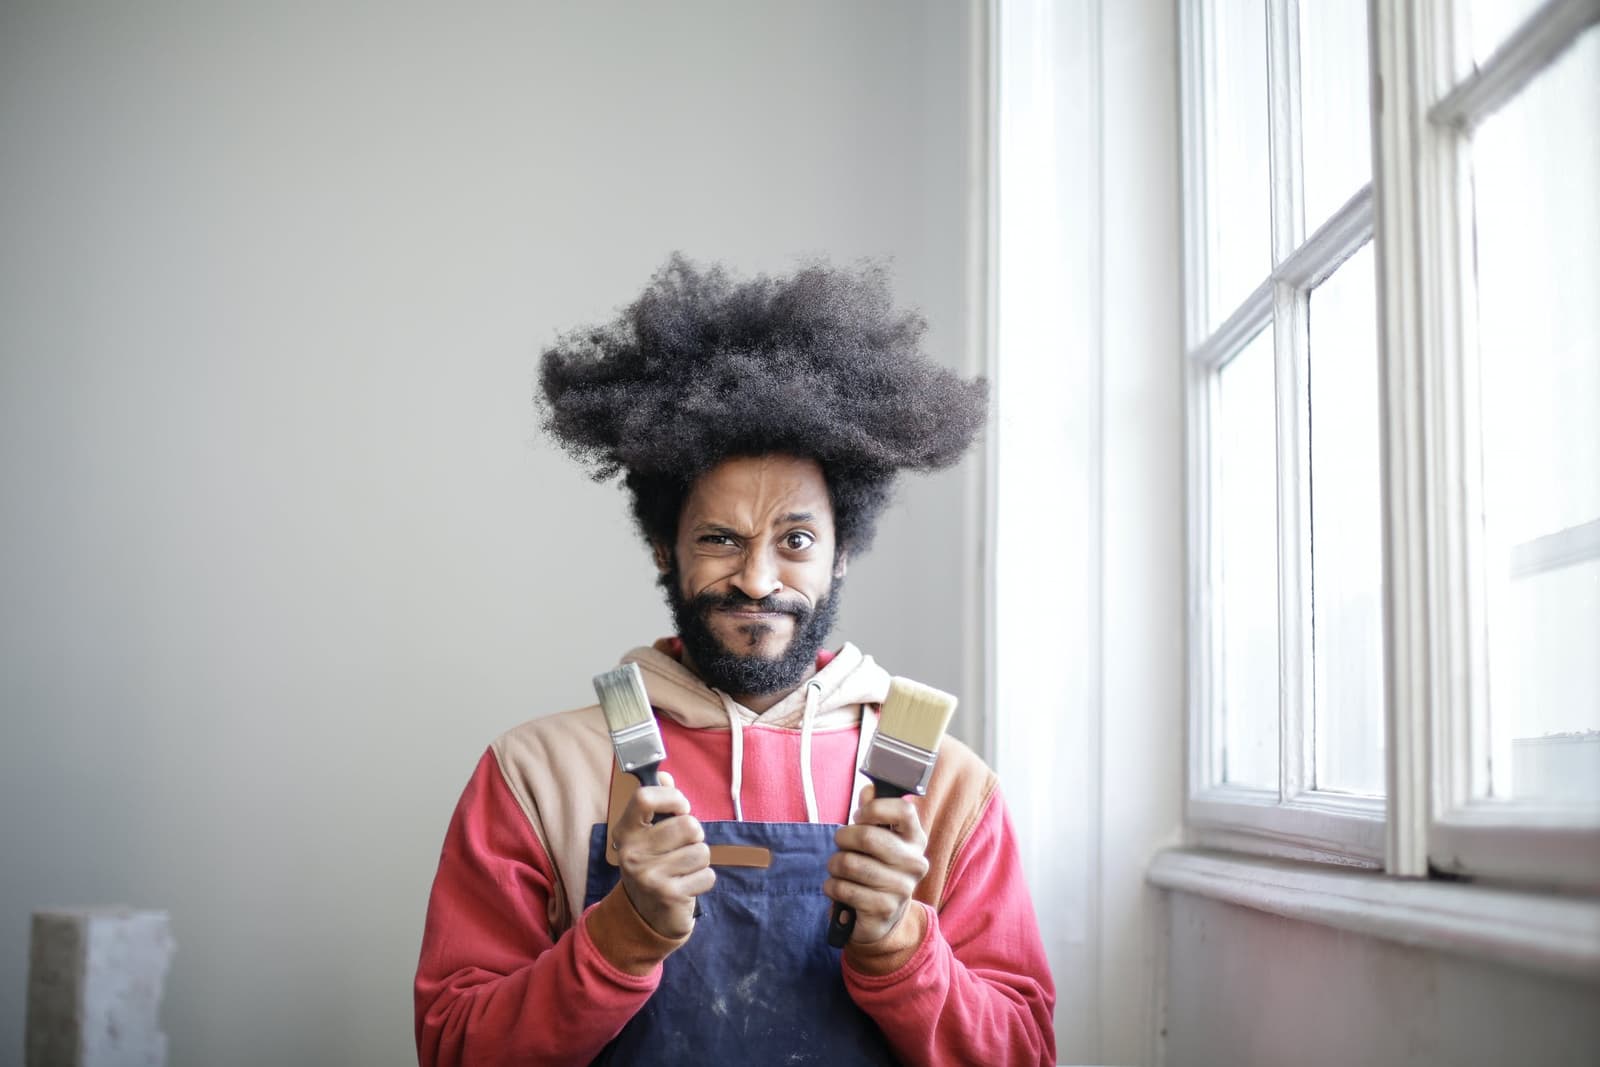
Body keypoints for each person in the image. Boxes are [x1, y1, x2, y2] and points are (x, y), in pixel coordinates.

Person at [413, 256, 1056, 1065]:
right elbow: (453, 1050)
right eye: (720, 538)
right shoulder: (536, 773)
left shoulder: (950, 788)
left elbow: (1025, 1053)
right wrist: (619, 935)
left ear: (843, 550)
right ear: (662, 545)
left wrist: (903, 949)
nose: (757, 579)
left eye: (796, 540)